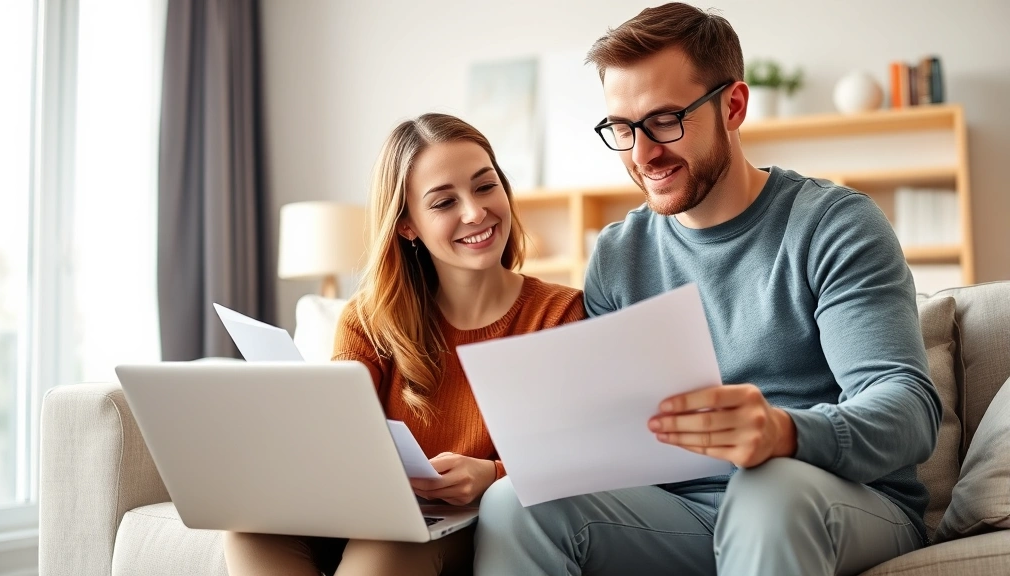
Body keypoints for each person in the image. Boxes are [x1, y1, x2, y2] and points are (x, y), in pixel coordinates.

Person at [473, 4, 942, 576]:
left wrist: (783, 431)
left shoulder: (832, 225)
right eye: (622, 128)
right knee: (515, 504)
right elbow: (611, 437)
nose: (643, 154)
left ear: (733, 106)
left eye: (665, 120)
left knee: (768, 489)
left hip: (840, 500)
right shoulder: (620, 254)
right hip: (682, 515)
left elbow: (908, 410)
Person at [222, 113, 585, 576]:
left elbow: (580, 458)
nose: (475, 212)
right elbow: (337, 441)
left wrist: (491, 474)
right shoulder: (369, 320)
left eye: (485, 185)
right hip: (365, 514)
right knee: (247, 530)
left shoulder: (559, 315)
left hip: (463, 525)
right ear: (407, 225)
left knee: (388, 549)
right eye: (443, 202)